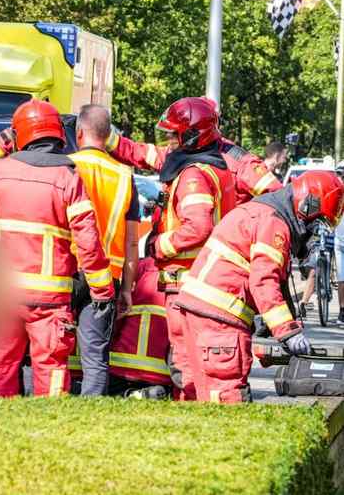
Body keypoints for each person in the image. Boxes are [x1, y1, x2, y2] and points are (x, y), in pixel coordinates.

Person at [102, 96, 275, 399]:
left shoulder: (231, 162)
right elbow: (144, 153)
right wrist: (106, 136)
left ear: (193, 134)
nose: (169, 142)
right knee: (194, 357)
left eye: (174, 134)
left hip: (196, 275)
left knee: (197, 355)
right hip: (194, 276)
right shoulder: (187, 155)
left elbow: (270, 200)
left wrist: (159, 245)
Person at [0, 100, 114, 398]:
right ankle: (47, 434)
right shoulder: (69, 179)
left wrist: (1, 141)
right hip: (50, 301)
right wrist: (102, 291)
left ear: (20, 135)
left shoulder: (0, 171)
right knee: (51, 371)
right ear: (57, 135)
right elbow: (89, 242)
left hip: (3, 295)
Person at [176, 170, 344, 402]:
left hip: (203, 312)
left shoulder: (263, 212)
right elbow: (264, 281)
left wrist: (271, 329)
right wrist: (288, 333)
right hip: (219, 320)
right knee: (227, 394)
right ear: (308, 204)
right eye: (317, 223)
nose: (314, 234)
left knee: (198, 391)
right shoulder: (273, 224)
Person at [67, 104, 141, 396]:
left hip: (66, 271)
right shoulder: (124, 175)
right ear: (109, 135)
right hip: (107, 278)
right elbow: (132, 241)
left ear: (79, 132)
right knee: (95, 358)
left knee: (53, 349)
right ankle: (91, 417)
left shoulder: (67, 165)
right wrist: (127, 289)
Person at [106, 256, 172, 397]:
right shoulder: (187, 276)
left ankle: (131, 394)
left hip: (123, 368)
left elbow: (114, 324)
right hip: (164, 373)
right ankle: (152, 393)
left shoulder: (140, 268)